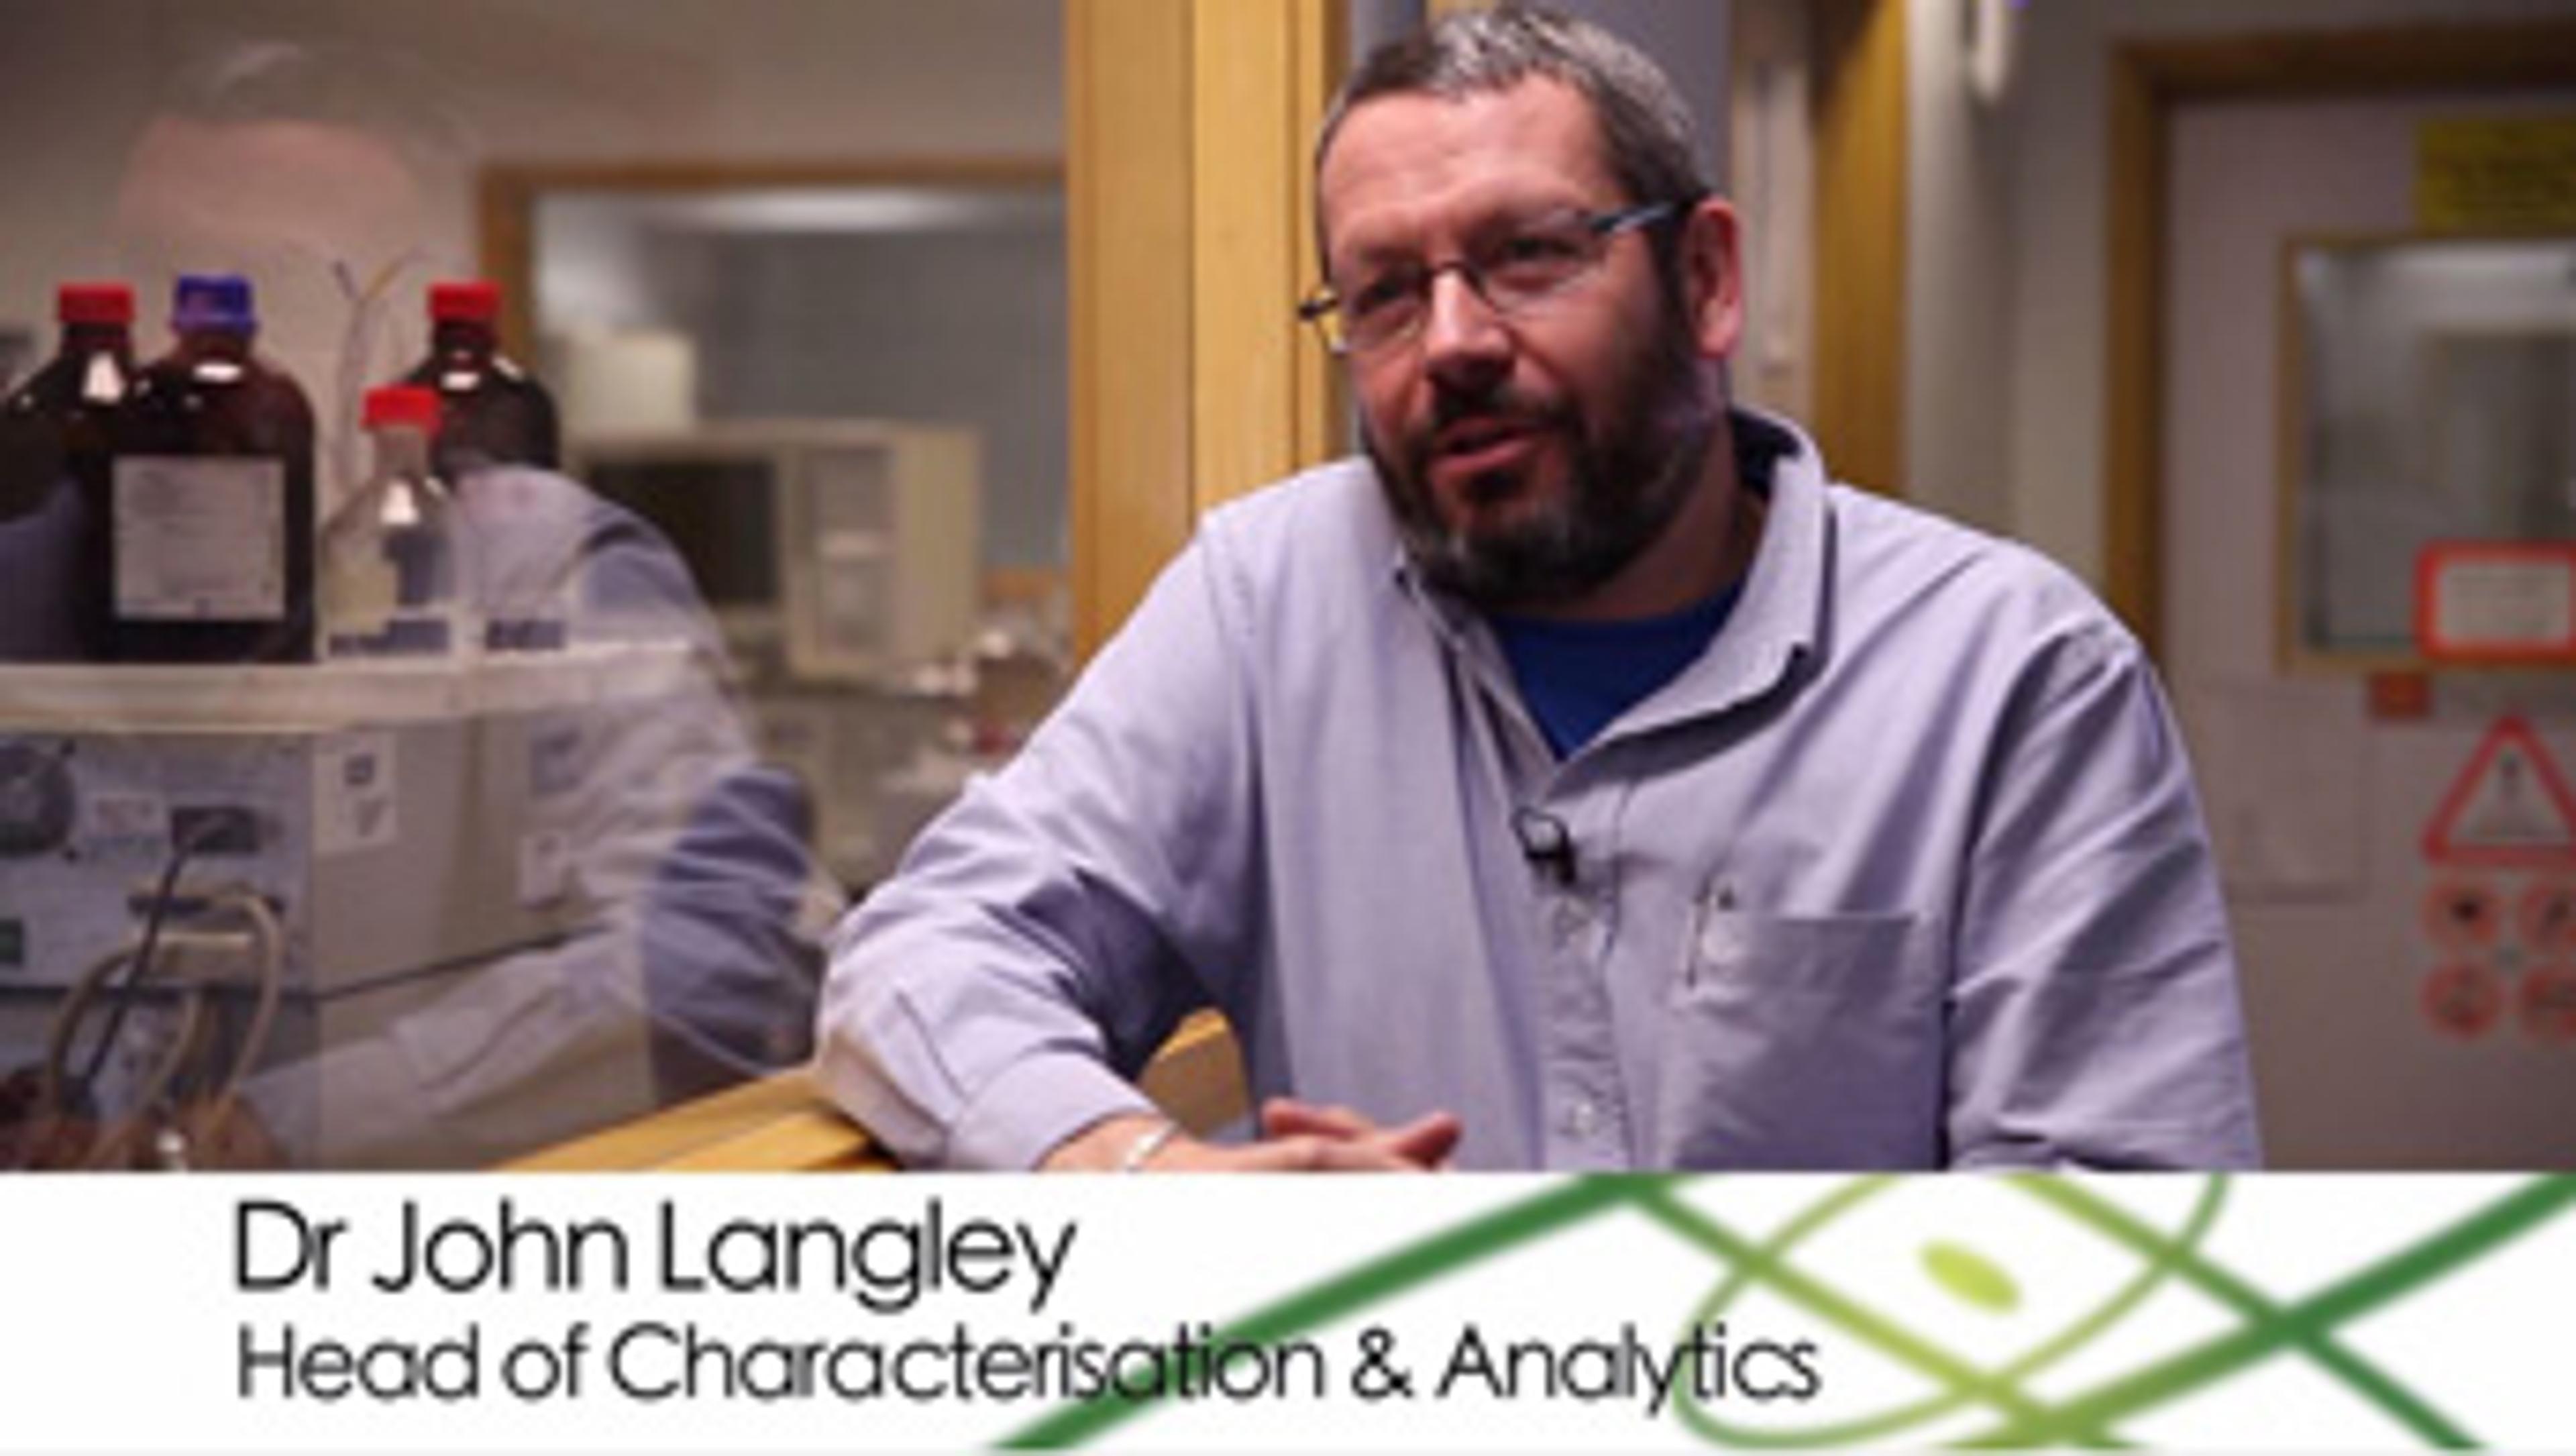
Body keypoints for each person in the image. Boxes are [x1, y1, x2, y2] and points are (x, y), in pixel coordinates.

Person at [816, 7, 2261, 1173]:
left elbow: (2110, 1267)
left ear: (1707, 280)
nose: (1451, 340)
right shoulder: (1269, 606)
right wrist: (1134, 1172)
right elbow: (930, 948)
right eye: (1385, 292)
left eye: (1528, 255)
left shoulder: (2008, 677)